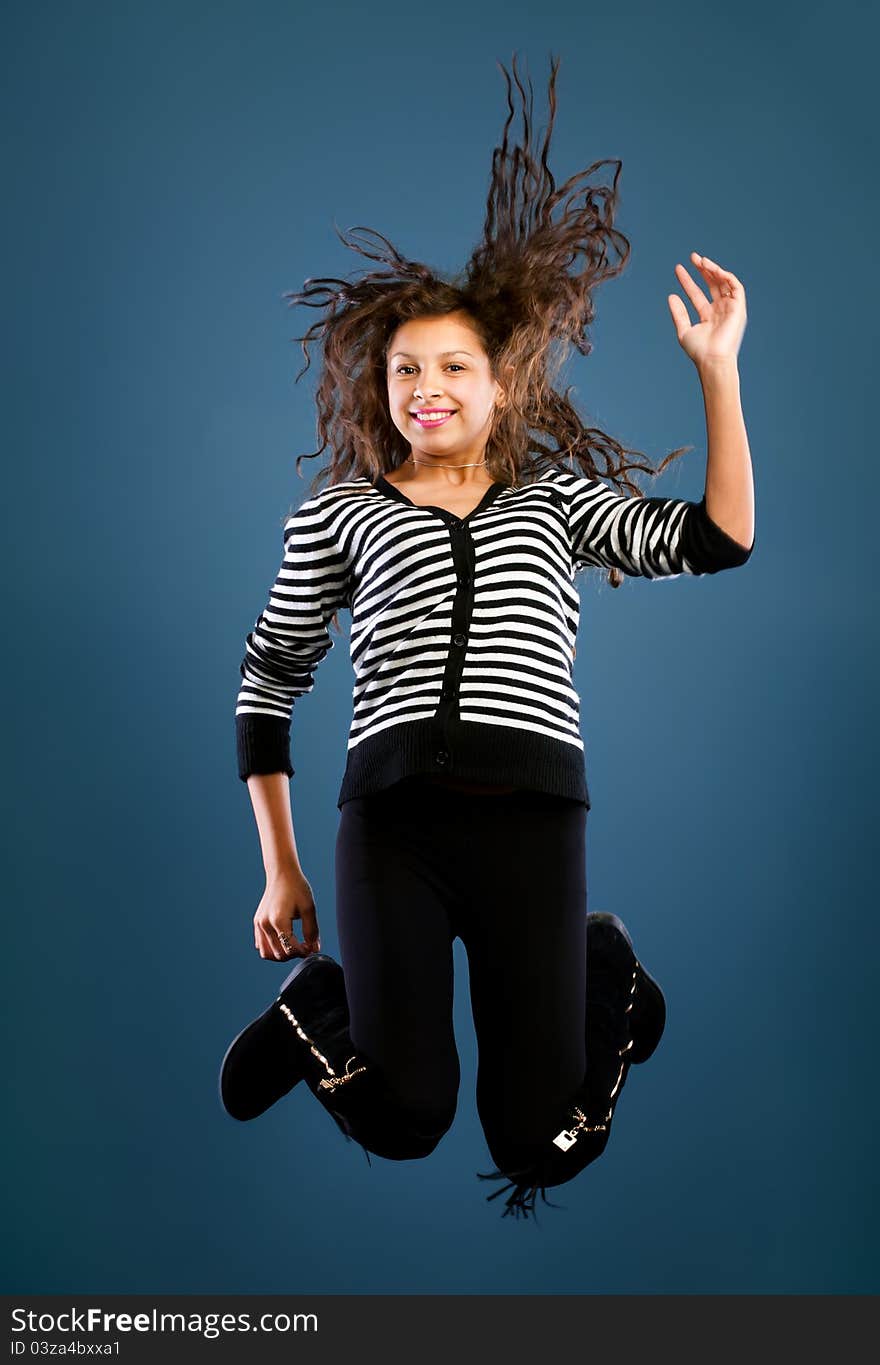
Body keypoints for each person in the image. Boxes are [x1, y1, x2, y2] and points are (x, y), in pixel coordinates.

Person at [218, 53, 755, 1222]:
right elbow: (269, 683)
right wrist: (282, 863)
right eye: (406, 369)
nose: (427, 387)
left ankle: (602, 969)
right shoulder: (339, 514)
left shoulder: (554, 503)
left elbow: (717, 540)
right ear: (382, 391)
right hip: (392, 826)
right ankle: (317, 1009)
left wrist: (716, 373)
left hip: (532, 823)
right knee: (408, 1120)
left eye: (454, 367)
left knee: (541, 1144)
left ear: (499, 386)